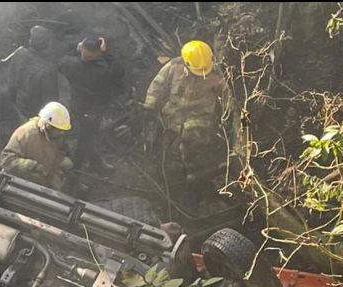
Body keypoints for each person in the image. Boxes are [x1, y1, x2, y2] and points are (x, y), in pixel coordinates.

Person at [143, 40, 242, 213]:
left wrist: (231, 123)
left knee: (193, 148)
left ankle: (195, 180)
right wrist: (149, 107)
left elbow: (228, 102)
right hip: (171, 117)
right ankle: (173, 180)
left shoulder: (217, 75)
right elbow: (157, 85)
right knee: (169, 151)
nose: (201, 74)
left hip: (199, 120)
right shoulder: (174, 66)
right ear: (186, 63)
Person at [59, 36, 124, 172]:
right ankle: (75, 172)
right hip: (94, 111)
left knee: (84, 138)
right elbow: (119, 73)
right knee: (85, 140)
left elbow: (62, 61)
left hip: (75, 106)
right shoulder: (102, 71)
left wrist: (76, 49)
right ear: (98, 53)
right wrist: (106, 54)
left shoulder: (69, 64)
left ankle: (95, 162)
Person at [0, 101, 74, 190]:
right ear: (47, 125)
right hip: (19, 184)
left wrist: (62, 163)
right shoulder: (26, 133)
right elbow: (6, 160)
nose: (61, 133)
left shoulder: (56, 136)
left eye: (63, 130)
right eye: (58, 130)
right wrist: (33, 166)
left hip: (46, 186)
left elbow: (57, 155)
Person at [4, 25, 59, 120]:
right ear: (47, 45)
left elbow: (11, 83)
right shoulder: (48, 70)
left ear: (31, 41)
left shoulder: (19, 53)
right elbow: (50, 101)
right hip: (36, 115)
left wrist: (14, 102)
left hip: (20, 105)